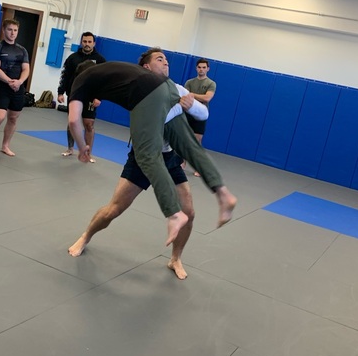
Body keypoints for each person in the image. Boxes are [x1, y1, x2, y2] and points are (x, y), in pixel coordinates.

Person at [68, 52, 237, 247]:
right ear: (146, 67)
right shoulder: (155, 81)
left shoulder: (82, 80)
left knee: (147, 155)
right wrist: (182, 107)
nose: (165, 63)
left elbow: (73, 120)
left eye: (165, 60)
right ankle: (223, 194)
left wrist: (82, 147)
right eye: (160, 59)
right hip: (166, 91)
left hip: (162, 146)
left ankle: (174, 215)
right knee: (191, 147)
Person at [0, 19, 30, 158]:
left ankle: (5, 146)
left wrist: (19, 81)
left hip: (18, 88)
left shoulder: (22, 50)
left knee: (13, 118)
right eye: (10, 30)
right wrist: (9, 81)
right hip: (3, 87)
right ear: (3, 30)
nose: (12, 33)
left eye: (15, 30)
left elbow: (26, 69)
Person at [57, 32, 106, 160]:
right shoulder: (73, 58)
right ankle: (70, 148)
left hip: (91, 96)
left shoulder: (100, 60)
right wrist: (60, 92)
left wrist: (99, 97)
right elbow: (65, 76)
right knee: (72, 122)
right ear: (81, 42)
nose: (87, 44)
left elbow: (104, 81)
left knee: (89, 124)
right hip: (75, 94)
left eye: (89, 42)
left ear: (94, 43)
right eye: (84, 41)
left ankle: (88, 153)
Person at [184, 58, 216, 176]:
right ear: (196, 68)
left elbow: (207, 98)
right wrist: (195, 96)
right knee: (184, 138)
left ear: (208, 69)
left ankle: (199, 168)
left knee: (197, 142)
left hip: (201, 115)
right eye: (199, 67)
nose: (201, 69)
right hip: (188, 113)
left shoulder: (211, 84)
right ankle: (182, 163)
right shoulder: (189, 82)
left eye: (204, 67)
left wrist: (192, 94)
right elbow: (185, 97)